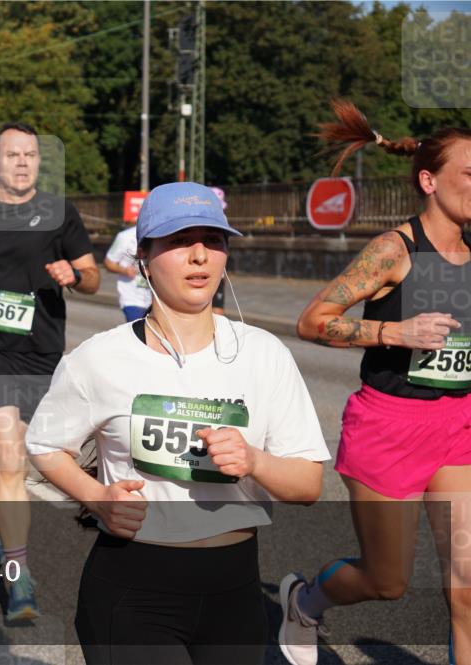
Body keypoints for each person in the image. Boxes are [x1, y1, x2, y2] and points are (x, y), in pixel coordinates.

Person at [27, 182, 328, 664]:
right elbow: (44, 444)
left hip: (236, 591)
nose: (199, 256)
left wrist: (253, 460)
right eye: (178, 240)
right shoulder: (99, 358)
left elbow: (308, 483)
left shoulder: (264, 354)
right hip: (132, 588)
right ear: (143, 257)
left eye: (213, 240)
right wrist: (97, 498)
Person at [279, 102, 471, 665]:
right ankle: (306, 600)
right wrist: (396, 329)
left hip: (457, 425)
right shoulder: (395, 250)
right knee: (387, 581)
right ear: (429, 181)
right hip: (390, 426)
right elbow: (312, 321)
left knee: (466, 582)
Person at [0, 123, 101, 620]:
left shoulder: (58, 213)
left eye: (30, 154)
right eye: (13, 155)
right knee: (9, 460)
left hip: (43, 351)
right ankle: (19, 578)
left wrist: (76, 275)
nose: (23, 162)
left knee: (27, 459)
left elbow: (92, 275)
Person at [104, 219, 151, 322]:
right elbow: (108, 263)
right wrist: (124, 270)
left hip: (154, 299)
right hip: (131, 298)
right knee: (140, 333)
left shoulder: (160, 236)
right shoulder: (125, 237)